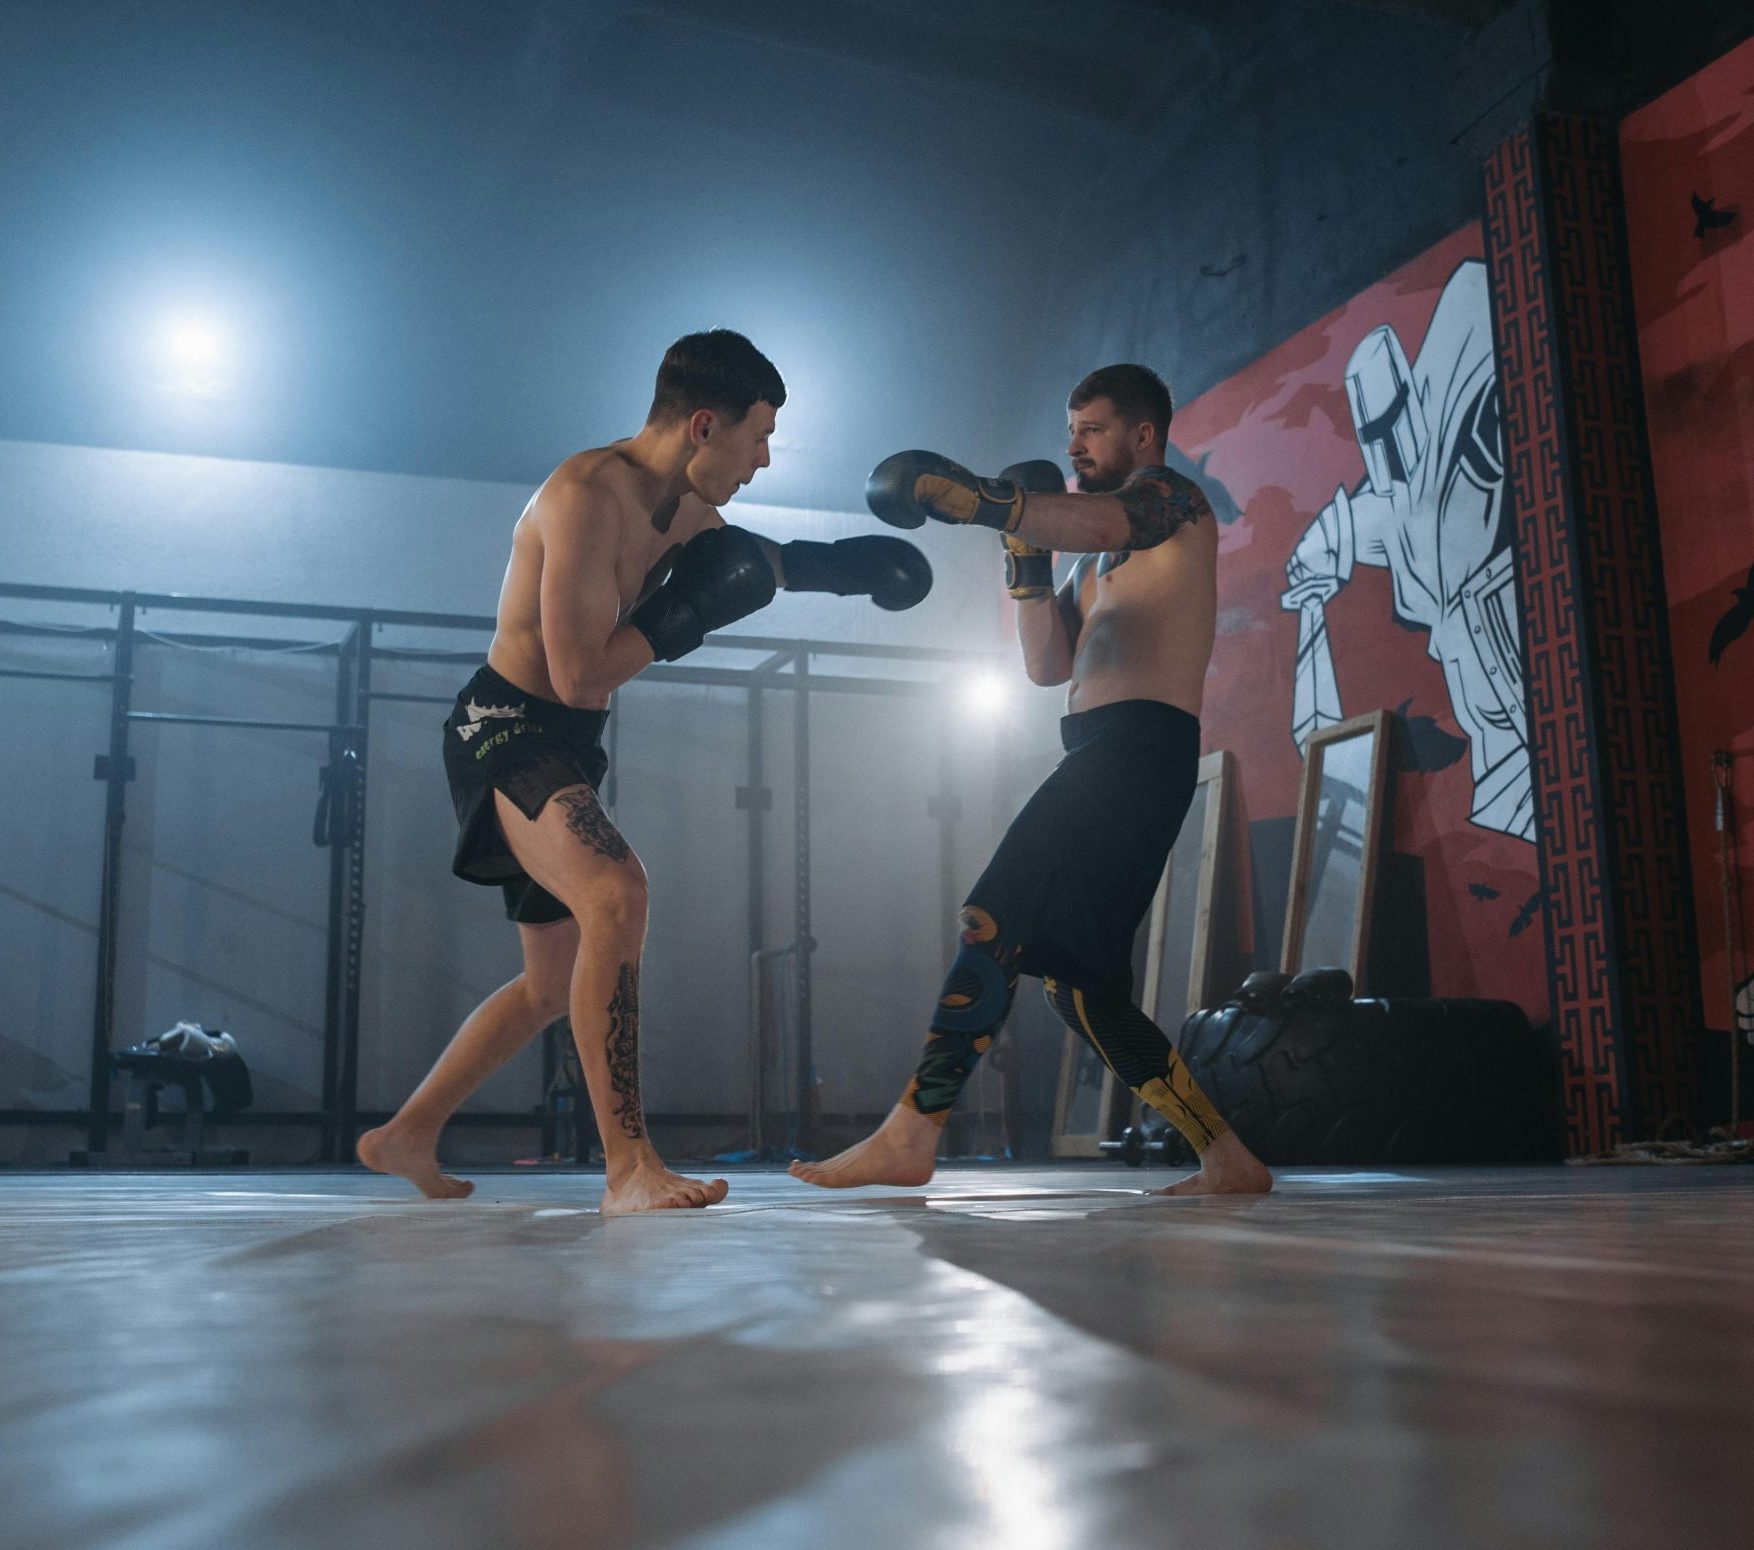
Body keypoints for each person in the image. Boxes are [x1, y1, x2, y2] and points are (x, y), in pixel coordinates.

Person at [359, 329, 931, 1214]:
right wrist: (692, 611)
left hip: (568, 747)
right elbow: (576, 674)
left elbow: (762, 564)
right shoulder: (587, 496)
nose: (765, 460)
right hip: (506, 726)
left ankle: (406, 1134)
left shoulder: (690, 511)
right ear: (705, 425)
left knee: (553, 984)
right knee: (617, 894)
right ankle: (627, 1168)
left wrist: (860, 568)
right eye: (758, 436)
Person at [792, 363, 1271, 1197]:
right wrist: (1023, 558)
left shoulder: (1176, 506)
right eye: (1070, 429)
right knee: (1085, 993)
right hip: (1101, 750)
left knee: (992, 917)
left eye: (1091, 429)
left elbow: (1104, 517)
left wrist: (982, 501)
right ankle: (1228, 1159)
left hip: (1135, 751)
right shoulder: (1092, 563)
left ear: (1143, 435)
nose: (1073, 445)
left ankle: (913, 1131)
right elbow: (1048, 667)